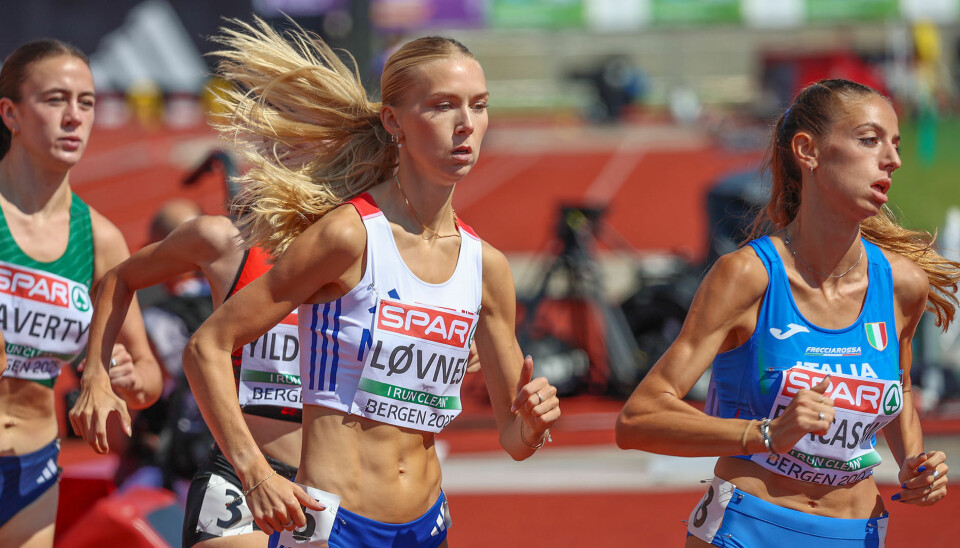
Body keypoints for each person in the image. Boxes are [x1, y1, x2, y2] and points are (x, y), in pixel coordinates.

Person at [182, 18, 561, 547]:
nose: (466, 124)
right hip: (335, 526)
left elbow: (514, 440)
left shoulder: (486, 267)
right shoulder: (348, 236)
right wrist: (256, 471)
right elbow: (207, 346)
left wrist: (533, 422)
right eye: (442, 105)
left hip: (427, 526)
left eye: (479, 104)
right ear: (393, 121)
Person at [616, 78, 959, 546]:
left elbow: (895, 389)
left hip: (857, 533)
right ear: (808, 150)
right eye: (869, 140)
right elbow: (638, 420)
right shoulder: (748, 277)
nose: (893, 160)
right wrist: (769, 433)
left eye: (894, 145)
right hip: (751, 528)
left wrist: (915, 465)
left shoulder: (901, 285)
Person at [0, 39, 162, 547]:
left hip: (31, 465)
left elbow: (150, 378)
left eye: (86, 102)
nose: (74, 117)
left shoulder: (99, 239)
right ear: (11, 113)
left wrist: (128, 380)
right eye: (54, 100)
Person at [71, 202, 306, 546]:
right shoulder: (225, 243)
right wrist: (96, 375)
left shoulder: (371, 250)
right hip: (239, 477)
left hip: (326, 483)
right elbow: (118, 277)